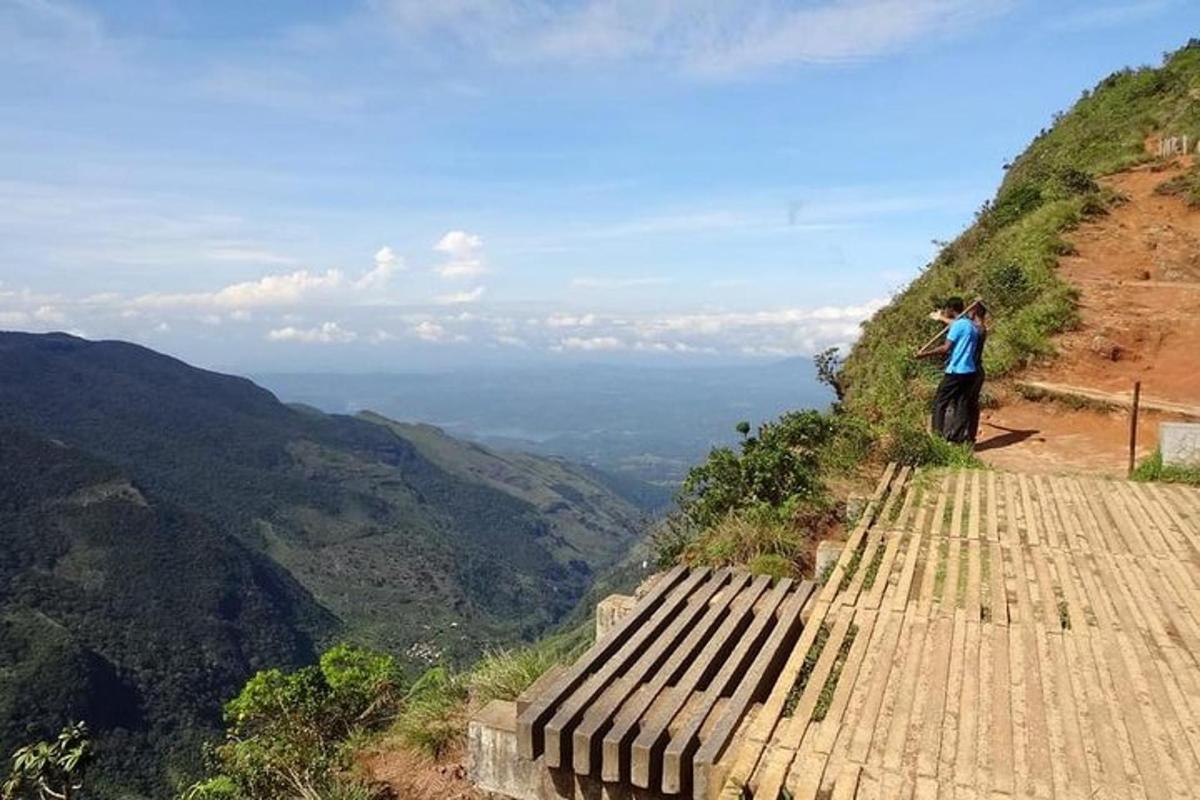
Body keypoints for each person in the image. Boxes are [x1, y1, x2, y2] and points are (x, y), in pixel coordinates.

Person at [917, 297, 981, 443]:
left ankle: (937, 438)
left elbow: (945, 348)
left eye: (946, 309)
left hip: (956, 371)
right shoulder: (971, 326)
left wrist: (924, 355)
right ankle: (957, 438)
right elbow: (955, 324)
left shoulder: (958, 325)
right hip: (969, 371)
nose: (946, 311)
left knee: (940, 402)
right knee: (961, 403)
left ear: (951, 309)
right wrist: (940, 318)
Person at [965, 303, 988, 444]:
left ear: (973, 312)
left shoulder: (978, 329)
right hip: (977, 370)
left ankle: (966, 437)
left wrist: (942, 318)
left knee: (966, 404)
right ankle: (969, 437)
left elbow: (958, 324)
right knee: (971, 404)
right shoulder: (980, 328)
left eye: (969, 311)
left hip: (972, 371)